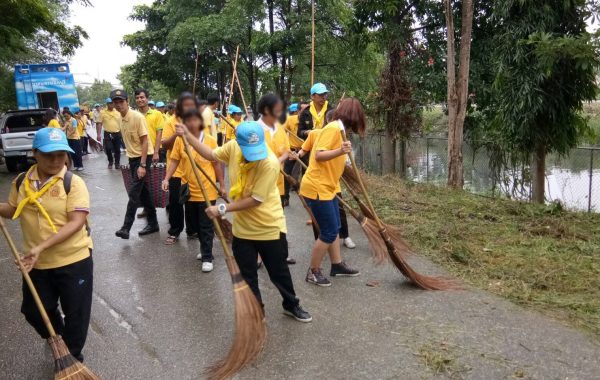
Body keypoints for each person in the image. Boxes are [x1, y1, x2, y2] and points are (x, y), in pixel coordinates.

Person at [177, 121, 312, 322]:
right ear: (238, 144)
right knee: (248, 276)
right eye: (248, 150)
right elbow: (211, 155)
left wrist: (222, 208)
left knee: (279, 273)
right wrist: (188, 136)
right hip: (242, 229)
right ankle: (257, 310)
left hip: (269, 227)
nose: (254, 155)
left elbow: (255, 200)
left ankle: (291, 304)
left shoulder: (269, 163)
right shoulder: (232, 147)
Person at [0, 127, 94, 362]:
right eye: (48, 154)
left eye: (60, 154)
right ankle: (57, 336)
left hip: (74, 259)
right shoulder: (23, 181)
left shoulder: (73, 183)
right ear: (34, 153)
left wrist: (41, 247)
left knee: (77, 315)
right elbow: (13, 210)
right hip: (37, 263)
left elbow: (76, 222)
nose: (55, 160)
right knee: (34, 311)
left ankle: (71, 359)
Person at [297, 98, 365, 286]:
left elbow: (333, 157)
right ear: (353, 115)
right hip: (317, 187)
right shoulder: (333, 128)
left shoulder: (340, 129)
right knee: (328, 232)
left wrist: (345, 159)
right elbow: (319, 155)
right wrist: (340, 151)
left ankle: (337, 265)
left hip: (329, 186)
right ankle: (313, 271)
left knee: (334, 227)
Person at [162, 109, 224, 272]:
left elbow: (216, 163)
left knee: (206, 225)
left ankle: (207, 256)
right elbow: (174, 161)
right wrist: (166, 178)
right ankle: (205, 248)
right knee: (195, 225)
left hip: (207, 190)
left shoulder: (210, 140)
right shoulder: (181, 140)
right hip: (188, 190)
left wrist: (222, 185)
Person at [111, 89, 159, 239]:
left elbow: (145, 141)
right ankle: (154, 223)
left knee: (134, 193)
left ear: (127, 101)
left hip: (143, 157)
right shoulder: (119, 118)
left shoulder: (137, 117)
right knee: (144, 192)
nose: (119, 105)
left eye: (121, 102)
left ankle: (126, 227)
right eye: (116, 102)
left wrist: (143, 165)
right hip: (133, 158)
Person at [161, 92, 201, 243]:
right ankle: (175, 231)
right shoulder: (171, 122)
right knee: (176, 203)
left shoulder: (195, 121)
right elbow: (165, 144)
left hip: (193, 169)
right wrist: (177, 135)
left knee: (192, 203)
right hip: (176, 169)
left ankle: (192, 230)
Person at [134, 89, 164, 164]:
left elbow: (159, 134)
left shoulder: (157, 114)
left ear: (147, 99)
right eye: (137, 98)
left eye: (142, 97)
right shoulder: (134, 115)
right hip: (138, 151)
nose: (139, 100)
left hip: (154, 150)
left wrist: (156, 152)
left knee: (156, 175)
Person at [282, 103, 301, 196]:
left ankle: (289, 194)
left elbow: (283, 133)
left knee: (290, 173)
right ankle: (287, 195)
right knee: (289, 172)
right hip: (296, 150)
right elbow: (283, 132)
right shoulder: (290, 119)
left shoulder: (308, 119)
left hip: (300, 150)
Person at [99, 98, 122, 169]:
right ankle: (110, 161)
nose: (111, 105)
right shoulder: (102, 112)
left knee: (117, 149)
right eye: (109, 103)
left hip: (117, 133)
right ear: (107, 104)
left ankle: (117, 163)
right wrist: (98, 134)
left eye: (112, 103)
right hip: (107, 133)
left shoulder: (118, 112)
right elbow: (99, 123)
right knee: (108, 148)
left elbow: (122, 122)